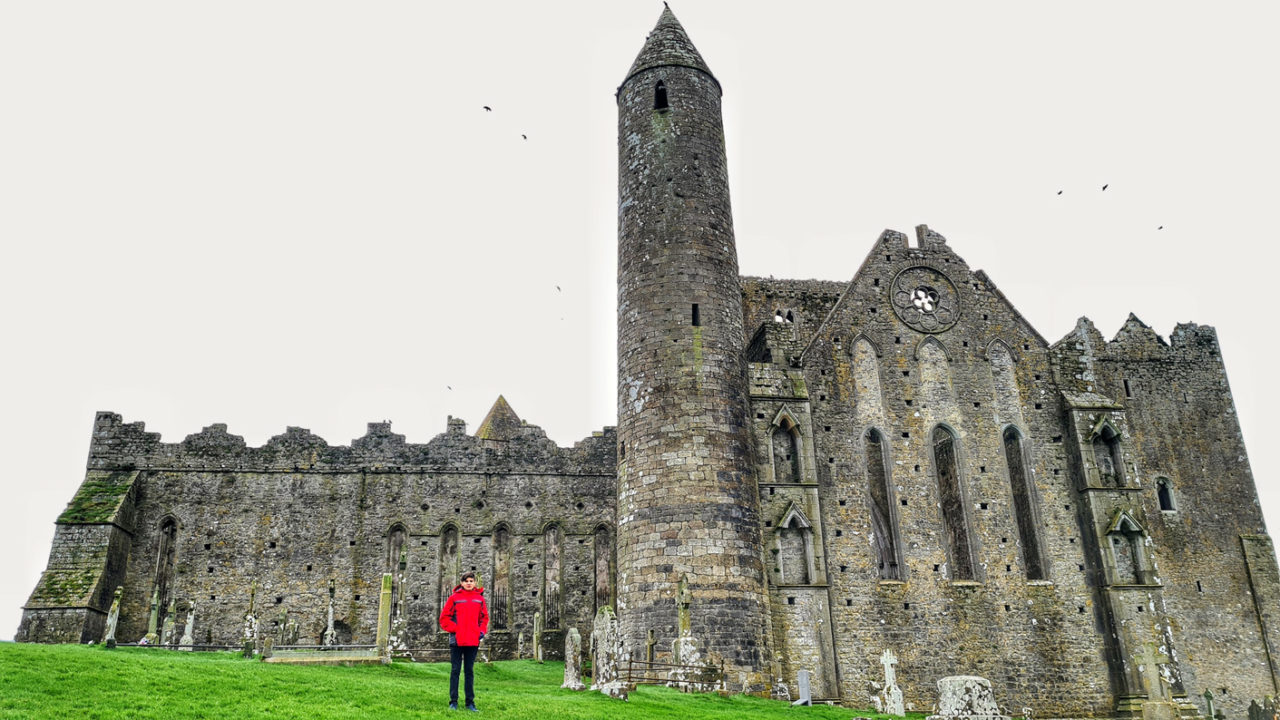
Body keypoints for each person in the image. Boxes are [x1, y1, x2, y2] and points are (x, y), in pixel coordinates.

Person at [438, 572, 488, 711]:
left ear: (474, 583)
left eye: (471, 581)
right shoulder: (454, 598)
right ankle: (453, 702)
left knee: (469, 671)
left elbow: (484, 618)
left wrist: (481, 631)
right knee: (455, 670)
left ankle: (470, 703)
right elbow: (444, 618)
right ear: (461, 583)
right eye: (466, 581)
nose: (469, 583)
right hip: (456, 640)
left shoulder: (479, 599)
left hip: (473, 640)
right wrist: (456, 629)